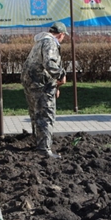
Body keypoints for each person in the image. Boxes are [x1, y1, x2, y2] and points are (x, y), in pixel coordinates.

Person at [21, 21, 68, 159]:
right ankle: (43, 149)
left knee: (36, 113)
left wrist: (55, 86)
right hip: (41, 83)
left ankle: (38, 141)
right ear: (61, 35)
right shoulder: (50, 43)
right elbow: (50, 63)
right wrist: (61, 75)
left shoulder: (41, 41)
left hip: (30, 82)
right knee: (46, 115)